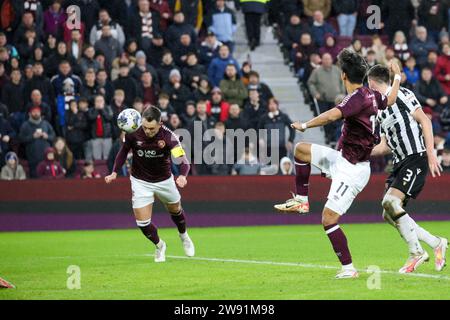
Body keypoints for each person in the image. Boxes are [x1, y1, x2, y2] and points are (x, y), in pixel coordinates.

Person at [274, 50, 402, 279]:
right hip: (342, 158)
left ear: (343, 75)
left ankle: (348, 268)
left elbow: (332, 115)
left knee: (328, 218)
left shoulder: (356, 98)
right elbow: (390, 99)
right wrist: (397, 78)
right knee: (301, 150)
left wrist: (305, 124)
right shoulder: (372, 95)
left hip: (353, 169)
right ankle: (302, 201)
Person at [368, 64, 447, 273]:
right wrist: (361, 152)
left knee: (390, 202)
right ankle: (437, 242)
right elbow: (385, 146)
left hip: (416, 157)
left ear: (373, 83)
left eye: (369, 86)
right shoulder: (380, 111)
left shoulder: (403, 94)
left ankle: (416, 253)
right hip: (399, 162)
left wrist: (431, 153)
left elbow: (425, 121)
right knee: (388, 213)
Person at [105, 106, 194, 263]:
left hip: (164, 180)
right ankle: (160, 245)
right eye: (145, 127)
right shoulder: (133, 131)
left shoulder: (169, 137)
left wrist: (183, 176)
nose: (147, 131)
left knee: (175, 210)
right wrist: (114, 171)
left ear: (160, 123)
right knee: (142, 222)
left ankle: (184, 236)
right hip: (140, 181)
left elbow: (183, 161)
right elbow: (123, 151)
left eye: (151, 129)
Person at [19, 106, 56, 178]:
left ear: (40, 113)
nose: (36, 114)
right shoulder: (25, 125)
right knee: (34, 178)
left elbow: (53, 136)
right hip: (32, 158)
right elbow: (21, 139)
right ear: (30, 114)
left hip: (46, 158)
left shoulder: (46, 124)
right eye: (34, 112)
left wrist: (47, 136)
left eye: (37, 112)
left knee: (47, 178)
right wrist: (32, 137)